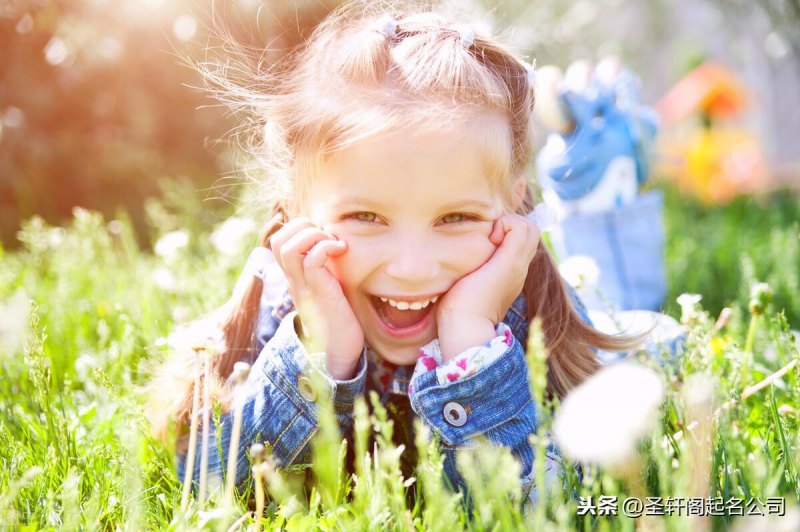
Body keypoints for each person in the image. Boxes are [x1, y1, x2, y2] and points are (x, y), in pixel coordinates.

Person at [146, 4, 641, 503]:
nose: (411, 268)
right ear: (297, 210)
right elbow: (209, 483)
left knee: (629, 301)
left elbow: (549, 505)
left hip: (619, 330)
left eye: (456, 218)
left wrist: (471, 339)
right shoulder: (285, 303)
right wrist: (325, 354)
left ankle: (602, 195)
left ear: (512, 205)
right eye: (366, 217)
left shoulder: (528, 312)